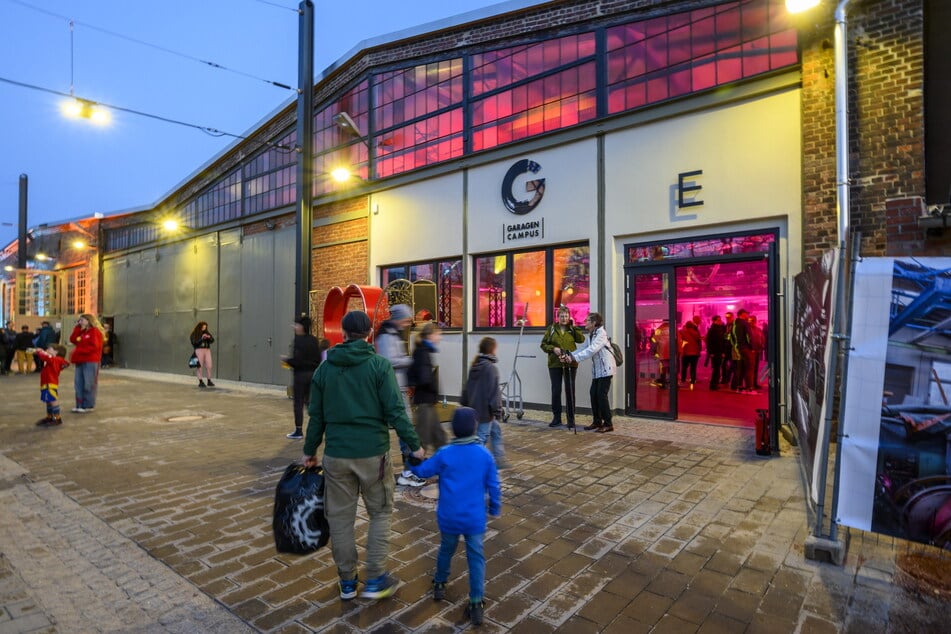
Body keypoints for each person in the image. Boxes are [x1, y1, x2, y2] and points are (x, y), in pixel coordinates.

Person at [302, 310, 425, 601]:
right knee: (380, 512)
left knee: (340, 519)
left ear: (342, 334)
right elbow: (396, 410)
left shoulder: (325, 369)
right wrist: (414, 445)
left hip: (336, 456)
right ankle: (376, 580)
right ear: (369, 334)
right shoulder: (379, 366)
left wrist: (309, 451)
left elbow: (316, 416)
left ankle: (347, 582)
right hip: (373, 454)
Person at [409, 406, 501, 627]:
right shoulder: (484, 455)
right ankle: (476, 602)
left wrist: (413, 459)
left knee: (446, 549)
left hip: (449, 516)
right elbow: (494, 485)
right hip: (474, 518)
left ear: (453, 429)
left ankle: (439, 585)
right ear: (474, 428)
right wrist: (495, 507)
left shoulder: (445, 453)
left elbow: (423, 471)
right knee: (476, 557)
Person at [375, 304, 426, 487]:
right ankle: (408, 471)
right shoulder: (387, 336)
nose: (407, 324)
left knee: (405, 429)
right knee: (405, 429)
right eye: (405, 320)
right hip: (395, 389)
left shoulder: (391, 333)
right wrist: (409, 360)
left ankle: (408, 469)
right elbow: (388, 361)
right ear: (398, 318)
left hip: (398, 388)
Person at [563, 312, 617, 433]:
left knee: (601, 396)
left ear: (594, 323)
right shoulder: (592, 334)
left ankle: (608, 423)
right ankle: (597, 421)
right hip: (598, 370)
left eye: (587, 320)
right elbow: (584, 348)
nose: (585, 322)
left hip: (606, 369)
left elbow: (592, 350)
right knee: (593, 394)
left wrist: (574, 358)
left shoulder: (601, 334)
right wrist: (571, 355)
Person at [461, 337, 507, 468]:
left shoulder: (475, 365)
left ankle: (499, 460)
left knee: (496, 431)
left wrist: (465, 403)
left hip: (475, 408)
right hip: (486, 411)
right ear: (492, 350)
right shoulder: (490, 368)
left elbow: (467, 387)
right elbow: (494, 392)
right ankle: (472, 465)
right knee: (481, 438)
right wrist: (497, 411)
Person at [539, 306, 585, 428]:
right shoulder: (552, 329)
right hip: (555, 364)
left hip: (570, 363)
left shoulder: (572, 329)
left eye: (566, 316)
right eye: (561, 316)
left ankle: (571, 419)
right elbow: (543, 345)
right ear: (557, 317)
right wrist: (553, 349)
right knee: (556, 391)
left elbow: (581, 339)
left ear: (569, 317)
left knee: (570, 390)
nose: (564, 318)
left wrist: (574, 326)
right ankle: (557, 418)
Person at [283, 315, 324, 440]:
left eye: (296, 325)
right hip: (312, 375)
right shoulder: (314, 340)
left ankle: (299, 430)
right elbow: (319, 358)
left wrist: (287, 360)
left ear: (302, 327)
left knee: (298, 403)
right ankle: (318, 428)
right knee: (310, 402)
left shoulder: (298, 341)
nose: (294, 327)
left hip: (300, 375)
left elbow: (297, 361)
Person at [409, 322, 447, 452]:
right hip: (424, 400)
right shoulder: (422, 352)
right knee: (422, 438)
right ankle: (410, 468)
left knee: (439, 436)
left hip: (428, 400)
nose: (440, 337)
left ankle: (444, 464)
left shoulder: (423, 351)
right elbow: (424, 378)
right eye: (438, 334)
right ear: (430, 335)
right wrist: (433, 386)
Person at [69, 313, 105, 413]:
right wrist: (77, 328)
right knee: (78, 383)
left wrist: (79, 351)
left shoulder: (95, 332)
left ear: (89, 321)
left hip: (91, 361)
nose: (80, 322)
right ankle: (79, 404)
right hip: (80, 360)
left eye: (82, 320)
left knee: (89, 383)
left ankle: (88, 405)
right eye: (79, 320)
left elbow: (95, 347)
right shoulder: (82, 332)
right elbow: (73, 339)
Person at [32, 343, 70, 426]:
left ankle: (57, 418)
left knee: (53, 400)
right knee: (49, 401)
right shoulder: (54, 360)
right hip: (46, 383)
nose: (47, 350)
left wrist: (40, 351)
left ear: (56, 352)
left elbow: (46, 357)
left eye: (50, 349)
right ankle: (50, 417)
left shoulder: (55, 359)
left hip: (50, 383)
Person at [730, 309, 755, 392]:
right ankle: (749, 387)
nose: (747, 315)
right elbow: (749, 336)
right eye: (746, 314)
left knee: (741, 367)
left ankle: (739, 385)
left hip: (738, 348)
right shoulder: (745, 323)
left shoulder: (734, 324)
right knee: (749, 367)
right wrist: (752, 347)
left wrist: (735, 346)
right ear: (742, 314)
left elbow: (731, 336)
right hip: (746, 348)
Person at [189, 321, 215, 388]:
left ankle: (209, 380)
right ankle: (200, 381)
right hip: (199, 350)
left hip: (207, 350)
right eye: (203, 327)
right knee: (199, 366)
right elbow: (194, 343)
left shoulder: (206, 333)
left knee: (209, 365)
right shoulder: (194, 334)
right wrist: (201, 338)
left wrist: (209, 338)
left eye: (205, 327)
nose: (204, 328)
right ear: (199, 327)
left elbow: (212, 340)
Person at [705, 315, 727, 391]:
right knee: (716, 369)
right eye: (718, 320)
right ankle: (713, 384)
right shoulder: (713, 329)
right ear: (714, 321)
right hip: (715, 352)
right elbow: (710, 342)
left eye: (720, 319)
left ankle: (715, 383)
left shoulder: (719, 329)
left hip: (718, 352)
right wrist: (711, 352)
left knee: (717, 369)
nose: (720, 321)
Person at [678, 319, 702, 388]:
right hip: (695, 353)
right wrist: (699, 351)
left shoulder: (682, 332)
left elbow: (680, 341)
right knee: (693, 367)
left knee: (684, 367)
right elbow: (699, 342)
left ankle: (683, 380)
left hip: (686, 353)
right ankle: (693, 380)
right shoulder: (696, 333)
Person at [649, 320, 671, 388]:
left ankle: (663, 382)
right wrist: (679, 351)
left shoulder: (659, 330)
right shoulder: (674, 329)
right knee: (671, 367)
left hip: (662, 352)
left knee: (663, 367)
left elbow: (654, 342)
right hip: (672, 352)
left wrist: (652, 351)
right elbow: (679, 341)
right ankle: (671, 381)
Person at [749, 314, 766, 391]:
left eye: (753, 320)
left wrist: (762, 345)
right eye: (751, 320)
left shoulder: (758, 329)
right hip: (750, 351)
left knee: (755, 368)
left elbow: (762, 338)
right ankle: (750, 384)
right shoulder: (748, 330)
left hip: (757, 350)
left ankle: (754, 383)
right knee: (750, 369)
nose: (752, 322)